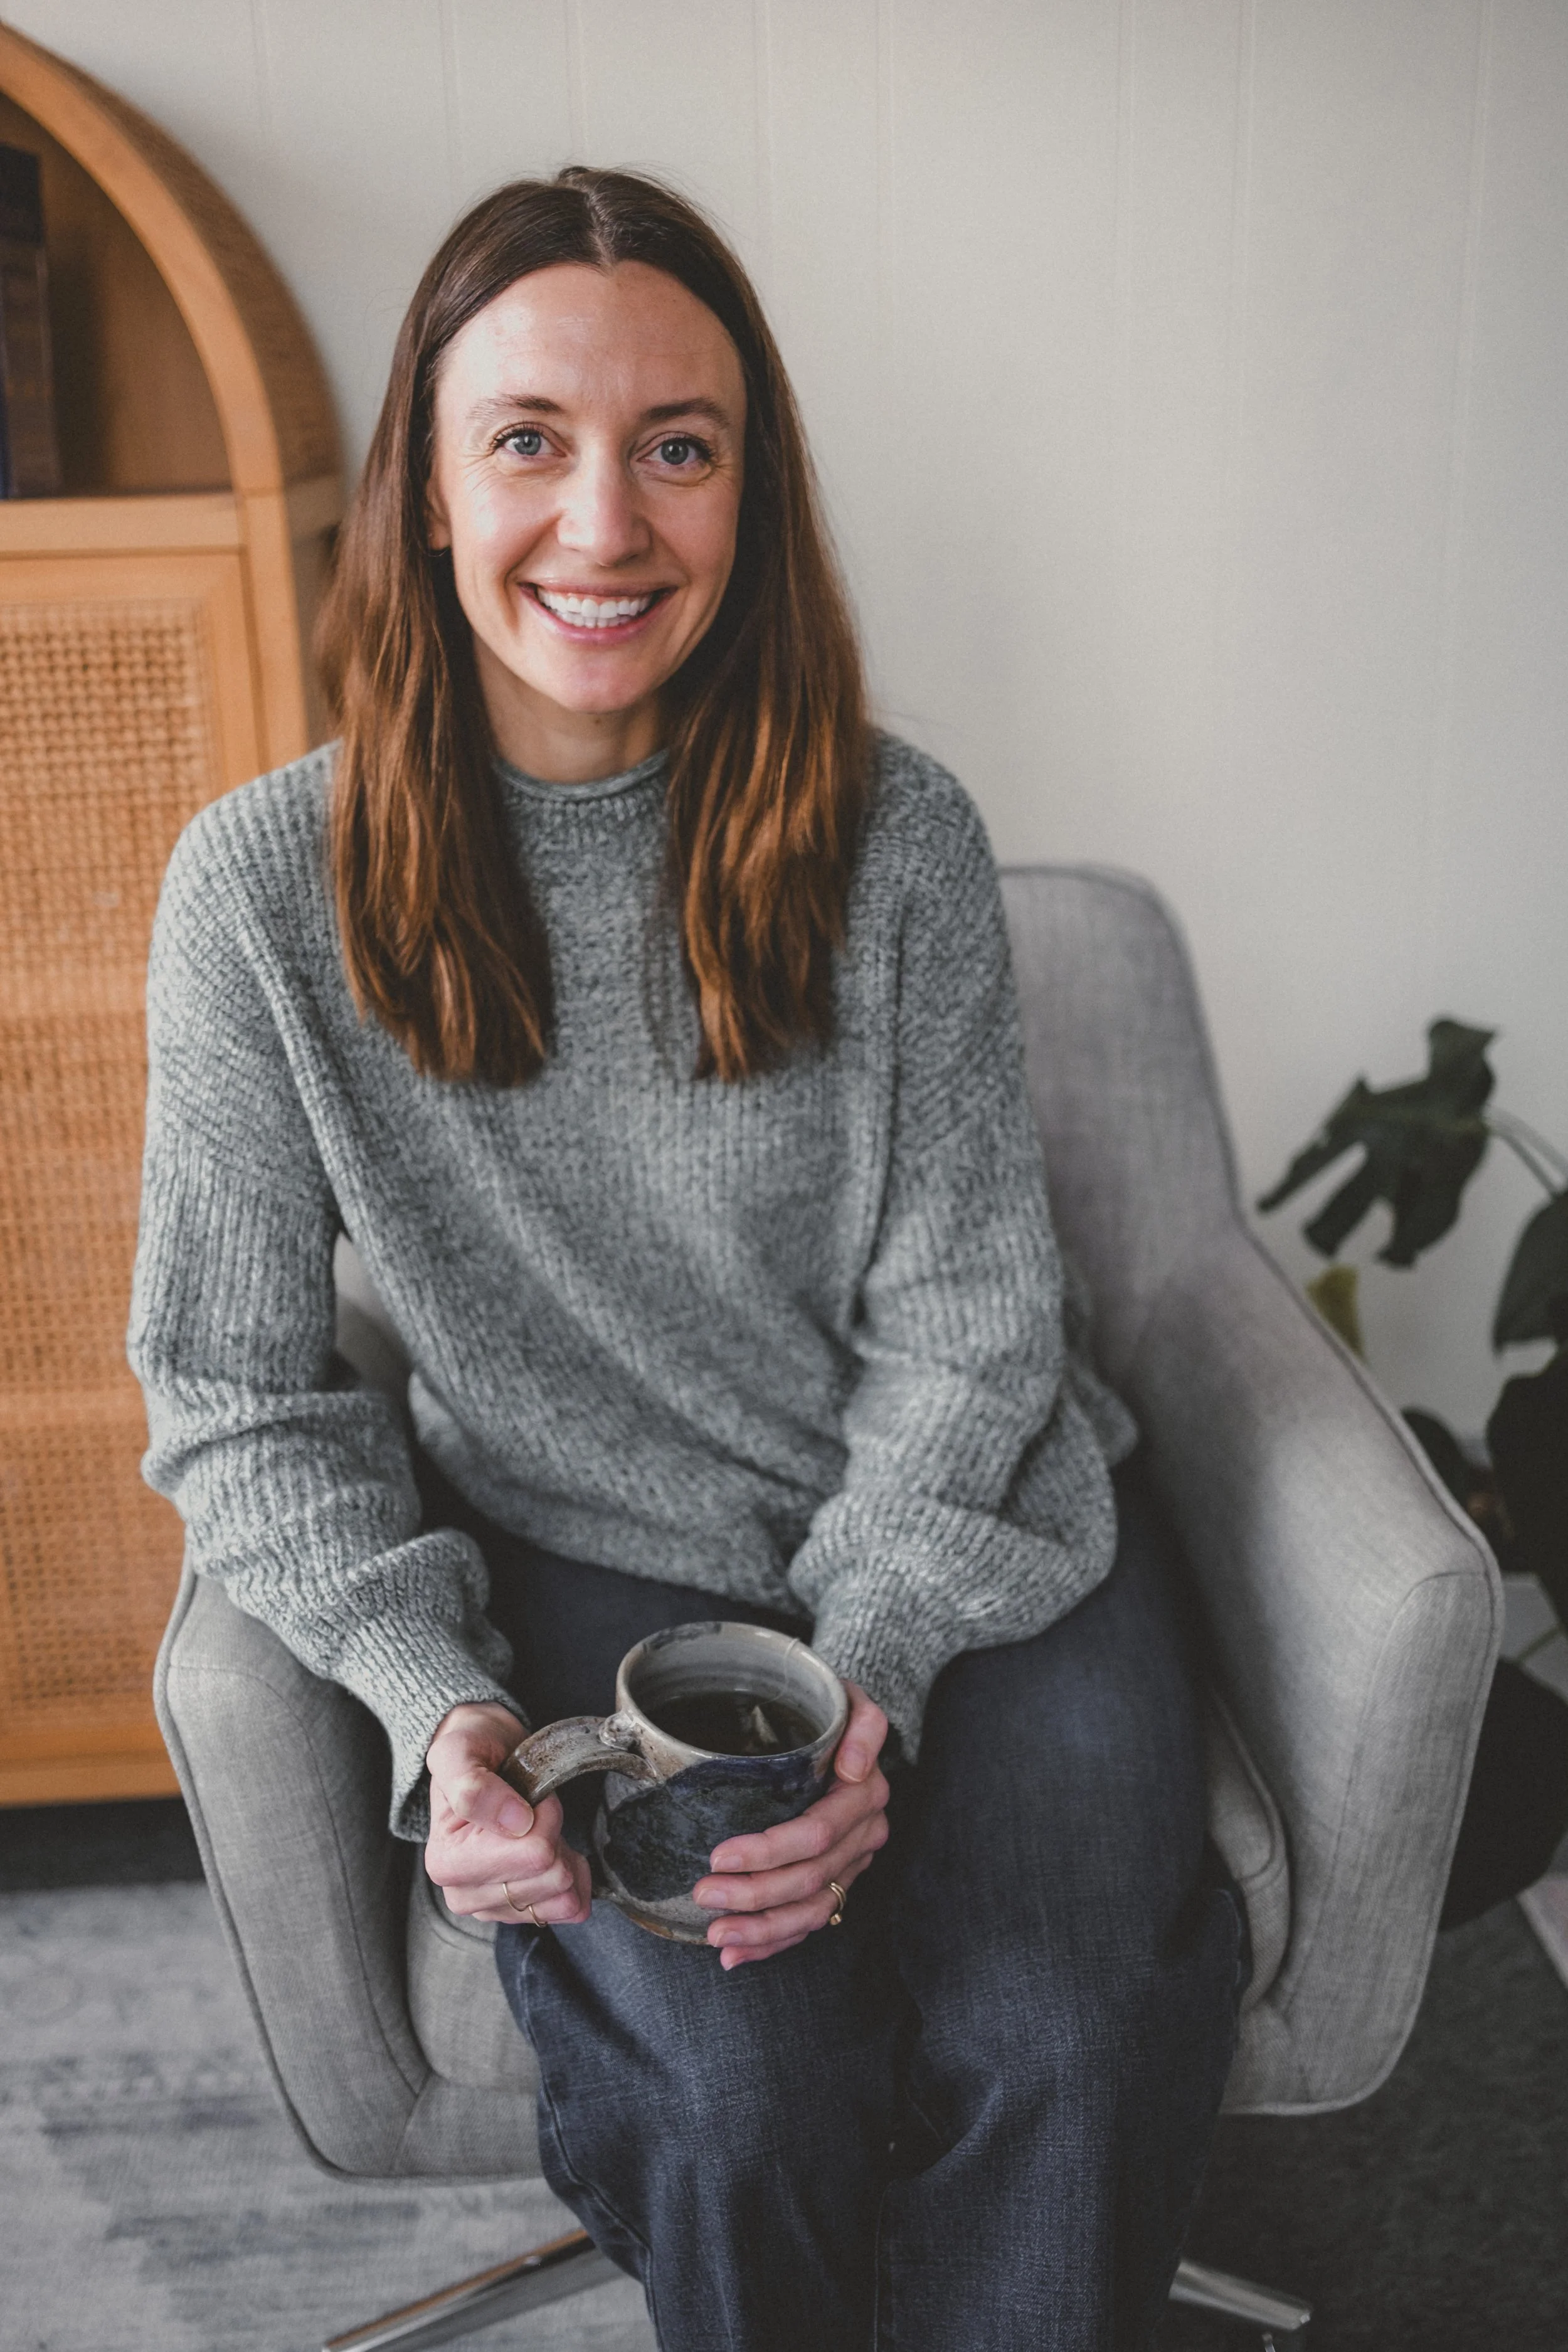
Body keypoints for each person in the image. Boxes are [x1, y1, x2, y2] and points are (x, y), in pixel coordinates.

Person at [129, 167, 1245, 2351]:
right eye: (527, 438)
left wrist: (867, 1676)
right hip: (583, 1561)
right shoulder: (260, 893)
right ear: (428, 497)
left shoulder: (889, 835)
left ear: (751, 490)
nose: (605, 521)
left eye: (679, 444)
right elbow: (241, 1389)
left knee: (1064, 2037)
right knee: (740, 2093)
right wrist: (434, 1703)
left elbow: (968, 1320)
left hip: (972, 1531)